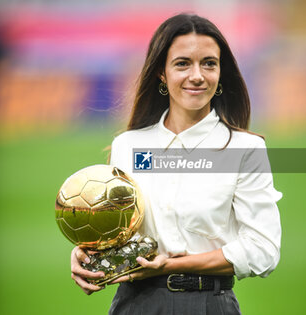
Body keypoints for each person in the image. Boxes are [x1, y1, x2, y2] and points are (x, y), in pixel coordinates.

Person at [71, 13, 282, 315]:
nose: (197, 75)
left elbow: (263, 251)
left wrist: (171, 265)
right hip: (134, 304)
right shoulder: (129, 146)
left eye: (209, 63)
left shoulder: (245, 149)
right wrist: (85, 253)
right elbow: (118, 233)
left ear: (221, 72)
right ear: (161, 72)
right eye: (183, 63)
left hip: (209, 305)